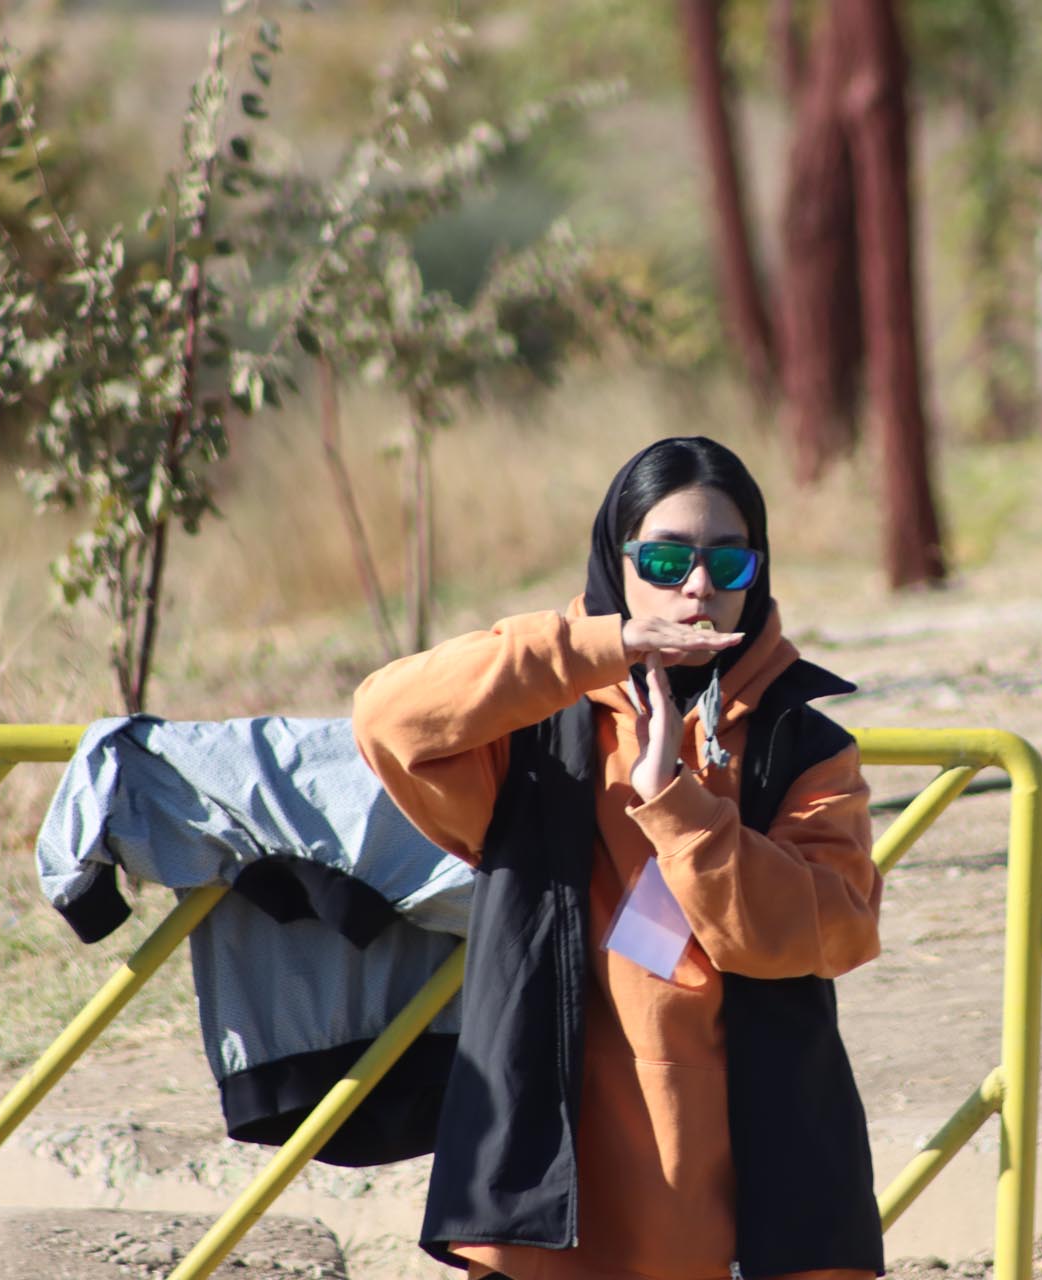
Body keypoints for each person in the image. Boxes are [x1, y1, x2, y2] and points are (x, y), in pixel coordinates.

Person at [352, 435, 885, 1280]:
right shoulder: (531, 726)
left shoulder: (803, 742)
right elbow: (388, 720)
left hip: (746, 1172)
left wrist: (676, 801)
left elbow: (828, 930)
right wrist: (595, 648)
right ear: (618, 561)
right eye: (667, 560)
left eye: (729, 562)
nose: (698, 587)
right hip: (550, 1167)